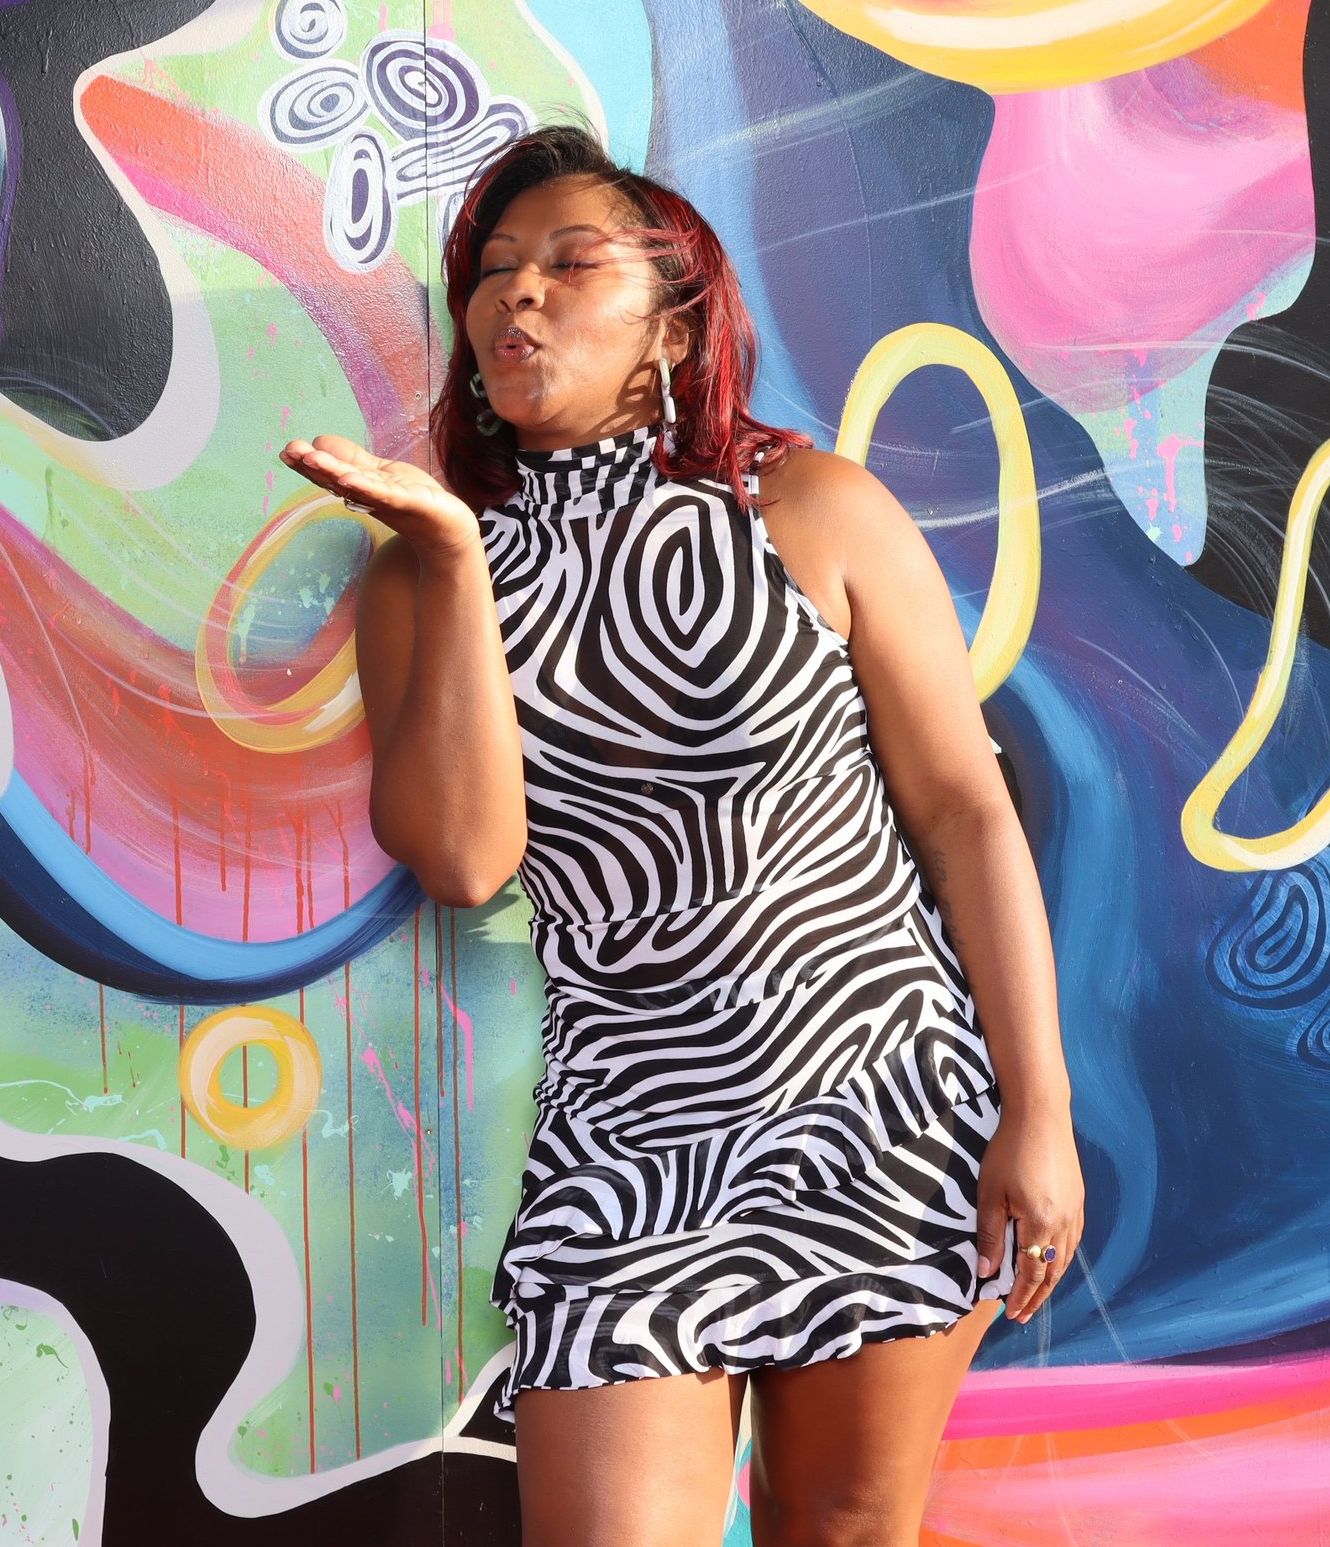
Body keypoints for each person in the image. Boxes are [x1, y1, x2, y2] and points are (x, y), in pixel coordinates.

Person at [279, 125, 1083, 1546]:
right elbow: (466, 859)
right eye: (493, 273)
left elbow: (966, 810)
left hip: (878, 1107)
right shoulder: (417, 577)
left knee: (840, 1531)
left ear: (672, 324)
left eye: (571, 263)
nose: (518, 294)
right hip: (626, 1142)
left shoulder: (815, 510)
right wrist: (457, 557)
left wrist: (1040, 1110)